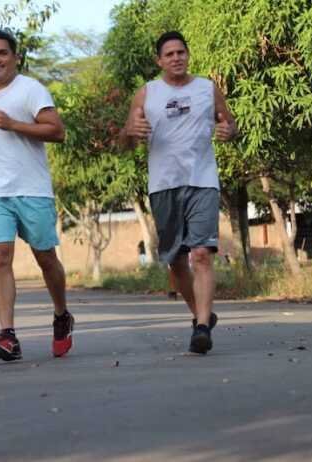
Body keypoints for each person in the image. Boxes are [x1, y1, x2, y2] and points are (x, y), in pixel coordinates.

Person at [120, 31, 238, 354]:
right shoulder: (146, 94)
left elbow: (229, 124)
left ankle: (202, 328)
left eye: (180, 52)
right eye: (169, 54)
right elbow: (126, 141)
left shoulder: (207, 89)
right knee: (176, 261)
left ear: (188, 55)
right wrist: (130, 131)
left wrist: (228, 130)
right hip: (163, 185)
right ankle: (201, 315)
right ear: (159, 61)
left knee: (201, 253)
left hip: (202, 180)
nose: (176, 58)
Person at [0, 30, 74, 361]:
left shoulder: (31, 89)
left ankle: (61, 314)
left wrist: (14, 124)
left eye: (2, 53)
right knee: (0, 258)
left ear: (15, 57)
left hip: (32, 190)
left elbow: (57, 131)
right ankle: (7, 335)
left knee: (45, 258)